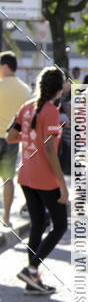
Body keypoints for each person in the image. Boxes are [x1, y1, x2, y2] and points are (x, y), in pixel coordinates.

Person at [6, 66, 69, 294]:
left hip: (26, 175)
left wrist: (29, 134)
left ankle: (32, 279)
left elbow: (11, 136)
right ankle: (31, 269)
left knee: (39, 224)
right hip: (45, 178)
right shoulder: (51, 111)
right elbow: (50, 150)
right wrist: (63, 184)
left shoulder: (26, 107)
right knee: (60, 224)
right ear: (59, 89)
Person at [0, 52, 31, 227]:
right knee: (8, 178)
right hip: (12, 139)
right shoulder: (25, 89)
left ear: (5, 66)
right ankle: (6, 218)